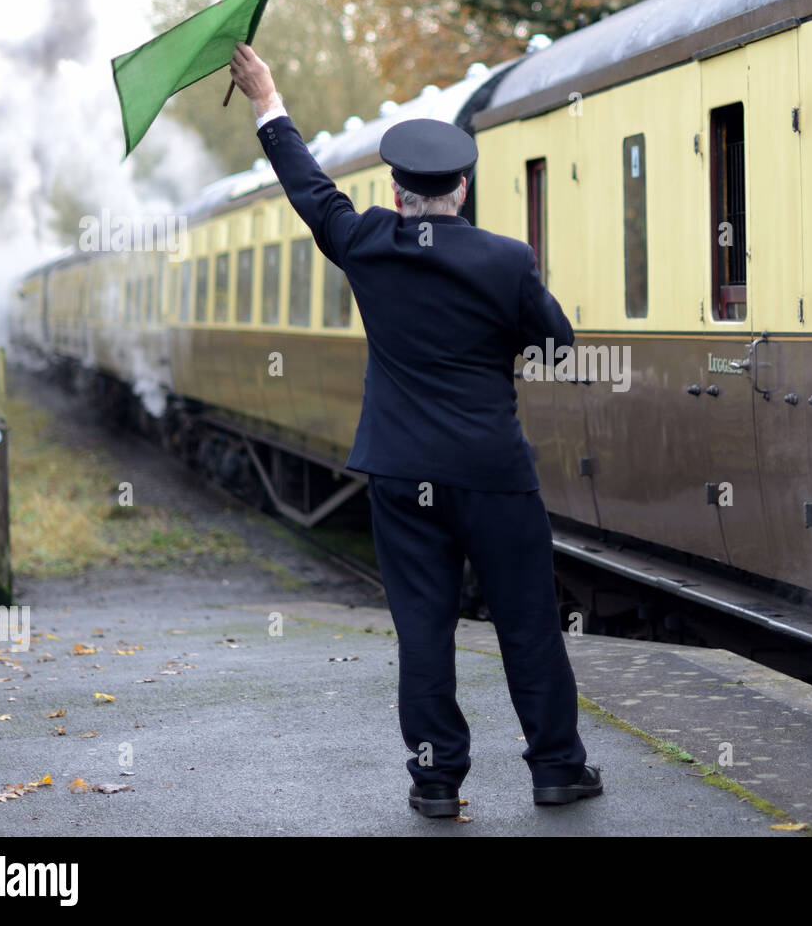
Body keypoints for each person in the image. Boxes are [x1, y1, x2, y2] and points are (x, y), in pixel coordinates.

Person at [228, 42, 601, 817]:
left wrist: (268, 99)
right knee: (528, 623)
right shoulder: (507, 260)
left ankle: (435, 782)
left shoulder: (367, 243)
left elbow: (308, 187)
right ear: (460, 189)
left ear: (398, 193)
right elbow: (559, 341)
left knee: (425, 631)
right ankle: (557, 770)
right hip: (494, 473)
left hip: (403, 475)